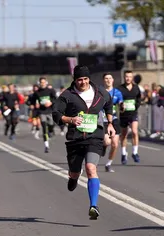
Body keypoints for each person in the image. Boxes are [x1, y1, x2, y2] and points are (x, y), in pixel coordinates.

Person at [52, 65, 114, 220]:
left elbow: (109, 105)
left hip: (95, 136)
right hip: (75, 138)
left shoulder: (100, 92)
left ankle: (93, 206)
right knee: (75, 171)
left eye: (86, 79)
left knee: (90, 168)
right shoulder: (67, 95)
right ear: (75, 80)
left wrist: (110, 123)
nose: (83, 82)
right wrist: (70, 119)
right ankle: (73, 178)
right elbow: (56, 113)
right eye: (80, 79)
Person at [118, 70, 141, 164]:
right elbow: (117, 99)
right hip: (124, 114)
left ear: (132, 78)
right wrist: (121, 105)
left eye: (130, 77)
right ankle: (124, 154)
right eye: (126, 76)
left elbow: (139, 98)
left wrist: (136, 105)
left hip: (133, 113)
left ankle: (135, 153)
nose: (128, 78)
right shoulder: (120, 88)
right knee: (124, 134)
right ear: (124, 77)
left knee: (135, 132)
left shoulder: (136, 88)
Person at [102, 73, 123, 172]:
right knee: (107, 141)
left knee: (115, 144)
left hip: (114, 119)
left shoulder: (117, 93)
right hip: (103, 119)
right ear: (103, 80)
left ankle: (108, 164)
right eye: (106, 78)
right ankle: (104, 145)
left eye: (110, 78)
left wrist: (122, 107)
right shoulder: (99, 92)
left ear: (113, 80)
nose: (108, 80)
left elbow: (121, 106)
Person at [36, 77, 57, 153]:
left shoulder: (51, 91)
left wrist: (51, 102)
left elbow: (55, 99)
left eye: (44, 82)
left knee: (51, 124)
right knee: (44, 128)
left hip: (50, 111)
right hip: (42, 112)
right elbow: (31, 101)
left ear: (46, 82)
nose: (42, 84)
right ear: (39, 83)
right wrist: (35, 104)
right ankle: (46, 146)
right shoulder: (37, 92)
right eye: (41, 82)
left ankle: (51, 131)